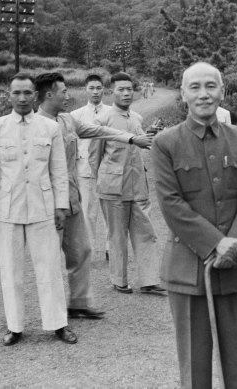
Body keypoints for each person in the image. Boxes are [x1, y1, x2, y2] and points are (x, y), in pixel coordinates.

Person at [151, 62, 237, 389]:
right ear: (183, 94)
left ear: (222, 92)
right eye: (195, 87)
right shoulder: (166, 143)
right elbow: (171, 204)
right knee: (194, 366)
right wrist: (215, 243)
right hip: (187, 271)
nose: (203, 94)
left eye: (210, 86)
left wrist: (234, 243)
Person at [35, 72, 153, 318]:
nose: (68, 95)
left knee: (81, 251)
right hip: (46, 202)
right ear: (49, 95)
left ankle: (79, 304)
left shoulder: (67, 120)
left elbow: (101, 131)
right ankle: (54, 316)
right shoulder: (35, 125)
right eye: (64, 91)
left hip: (71, 197)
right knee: (49, 259)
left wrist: (131, 138)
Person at [0, 73, 77, 346]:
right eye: (16, 93)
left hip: (43, 208)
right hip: (8, 209)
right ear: (8, 95)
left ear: (36, 95)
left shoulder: (50, 128)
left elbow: (58, 170)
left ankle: (58, 324)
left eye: (27, 93)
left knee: (49, 268)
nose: (22, 98)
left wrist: (60, 205)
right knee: (10, 271)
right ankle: (15, 327)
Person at [91, 72, 165, 295]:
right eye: (121, 89)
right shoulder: (102, 121)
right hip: (113, 187)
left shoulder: (136, 118)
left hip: (138, 185)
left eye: (129, 89)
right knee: (117, 235)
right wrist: (102, 182)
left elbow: (145, 144)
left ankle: (150, 280)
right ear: (110, 92)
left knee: (146, 232)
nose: (126, 93)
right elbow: (94, 157)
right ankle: (119, 280)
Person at [70, 74, 111, 261]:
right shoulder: (76, 115)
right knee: (87, 212)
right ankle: (89, 251)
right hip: (85, 169)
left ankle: (112, 248)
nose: (95, 92)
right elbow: (72, 146)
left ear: (104, 89)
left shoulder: (111, 113)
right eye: (92, 88)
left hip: (109, 170)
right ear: (85, 90)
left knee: (110, 211)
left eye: (99, 88)